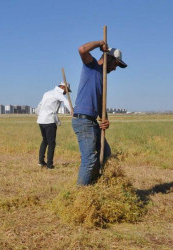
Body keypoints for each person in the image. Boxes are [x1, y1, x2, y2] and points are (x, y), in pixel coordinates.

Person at [72, 40, 128, 185]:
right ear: (108, 57)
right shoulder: (91, 66)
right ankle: (81, 195)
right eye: (116, 64)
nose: (115, 68)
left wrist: (105, 119)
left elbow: (101, 102)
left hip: (92, 121)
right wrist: (100, 43)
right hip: (83, 120)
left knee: (106, 153)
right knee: (89, 159)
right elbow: (82, 49)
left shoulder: (103, 79)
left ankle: (94, 184)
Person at [37, 82, 72, 169]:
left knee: (45, 140)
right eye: (67, 91)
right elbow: (66, 102)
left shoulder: (47, 93)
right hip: (49, 121)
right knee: (51, 143)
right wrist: (72, 112)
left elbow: (39, 105)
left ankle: (41, 162)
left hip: (41, 120)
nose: (66, 93)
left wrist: (40, 115)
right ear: (63, 88)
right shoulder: (58, 94)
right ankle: (49, 165)